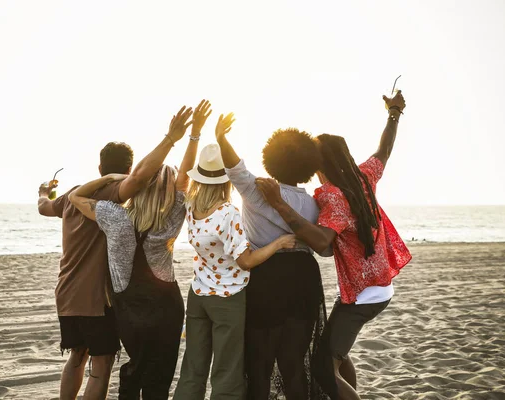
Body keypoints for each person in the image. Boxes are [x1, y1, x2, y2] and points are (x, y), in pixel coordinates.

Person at [256, 91, 412, 400]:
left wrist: (279, 205)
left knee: (323, 367)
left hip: (363, 295)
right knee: (335, 353)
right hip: (379, 288)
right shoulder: (363, 176)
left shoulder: (331, 196)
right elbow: (385, 148)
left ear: (318, 162)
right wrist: (393, 112)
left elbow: (323, 240)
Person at [68, 101, 208, 400]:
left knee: (136, 366)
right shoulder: (172, 216)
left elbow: (76, 196)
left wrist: (110, 178)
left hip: (129, 308)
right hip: (167, 306)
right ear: (169, 191)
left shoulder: (114, 216)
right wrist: (194, 135)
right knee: (160, 375)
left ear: (138, 187)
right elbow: (184, 178)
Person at [216, 116, 332, 399]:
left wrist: (221, 138)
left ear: (270, 158)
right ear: (309, 165)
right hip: (304, 277)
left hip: (266, 276)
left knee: (259, 365)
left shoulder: (258, 191)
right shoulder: (313, 203)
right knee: (293, 365)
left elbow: (235, 168)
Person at [173, 133, 297, 400]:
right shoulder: (227, 212)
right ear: (224, 180)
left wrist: (193, 134)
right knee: (227, 370)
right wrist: (278, 243)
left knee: (193, 366)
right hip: (227, 298)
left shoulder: (191, 206)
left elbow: (180, 181)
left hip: (198, 295)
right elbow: (246, 260)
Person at [37, 141, 133, 400]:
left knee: (77, 357)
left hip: (67, 293)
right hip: (96, 299)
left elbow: (43, 207)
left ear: (99, 166)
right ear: (129, 168)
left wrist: (44, 191)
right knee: (101, 366)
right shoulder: (114, 194)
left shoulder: (72, 195)